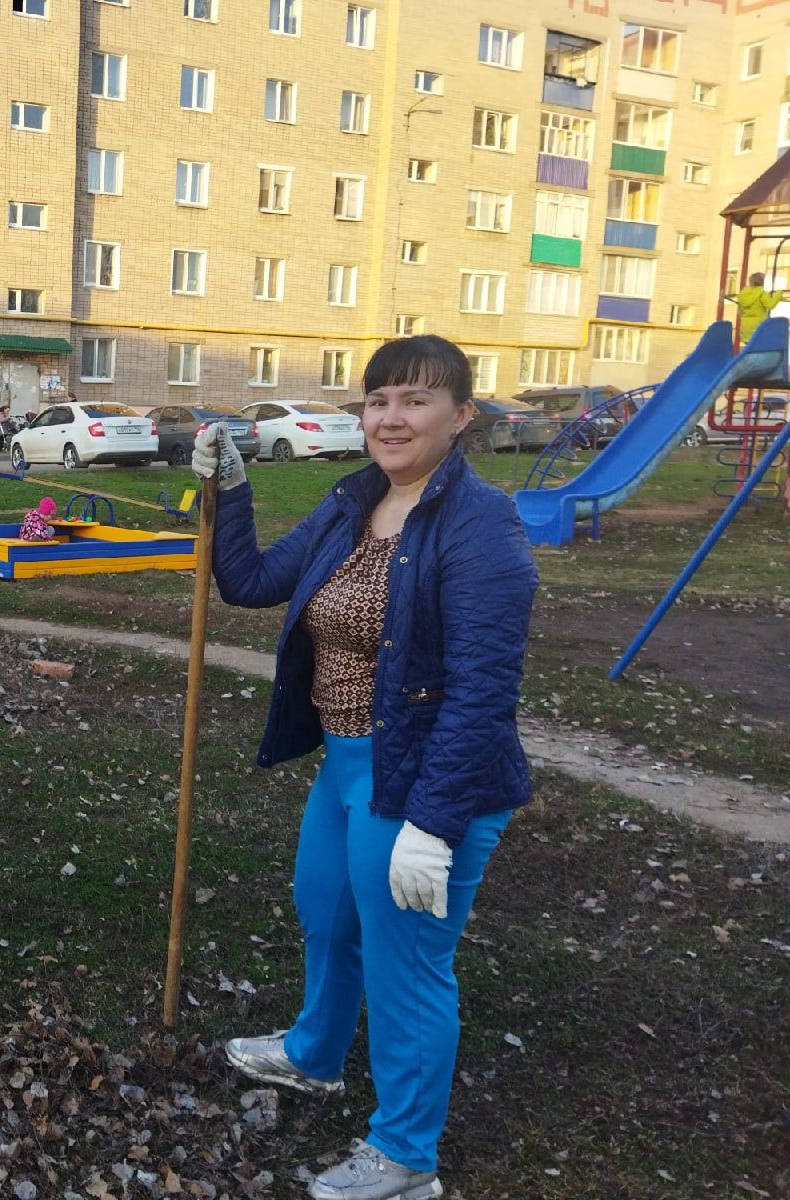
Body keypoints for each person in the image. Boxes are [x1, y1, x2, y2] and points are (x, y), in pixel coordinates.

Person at [192, 335, 537, 1200]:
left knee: (407, 966)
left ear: (461, 417)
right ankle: (313, 1056)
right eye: (379, 398)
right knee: (328, 918)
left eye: (416, 400)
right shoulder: (355, 501)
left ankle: (406, 1158)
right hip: (346, 769)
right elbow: (250, 580)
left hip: (424, 782)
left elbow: (484, 689)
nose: (391, 416)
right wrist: (231, 486)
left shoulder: (478, 524)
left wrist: (433, 824)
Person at [724, 272, 785, 341]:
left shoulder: (743, 294)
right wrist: (778, 295)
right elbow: (770, 305)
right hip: (759, 326)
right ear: (763, 282)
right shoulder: (762, 293)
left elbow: (740, 312)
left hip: (745, 326)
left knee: (749, 345)